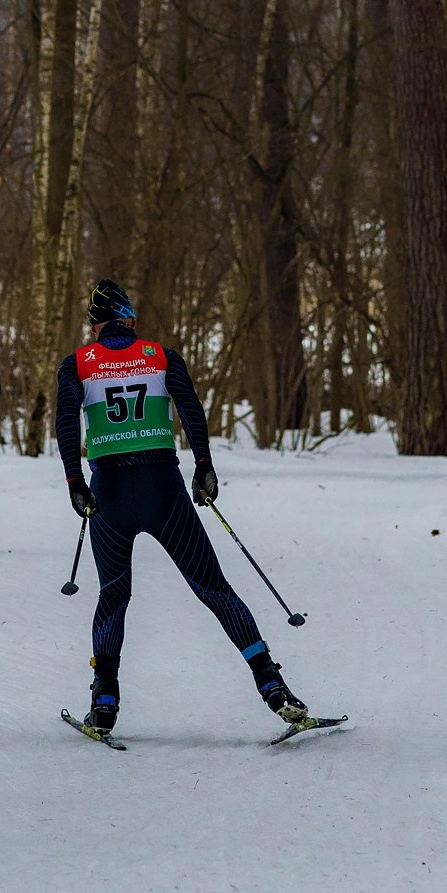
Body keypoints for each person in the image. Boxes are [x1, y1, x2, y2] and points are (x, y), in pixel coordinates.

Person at [57, 275, 307, 737]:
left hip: (109, 493)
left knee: (113, 597)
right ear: (130, 320)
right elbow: (190, 408)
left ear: (96, 325)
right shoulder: (160, 356)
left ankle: (105, 704)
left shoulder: (76, 365)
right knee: (215, 589)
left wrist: (75, 481)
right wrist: (205, 466)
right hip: (163, 489)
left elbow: (66, 425)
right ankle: (275, 689)